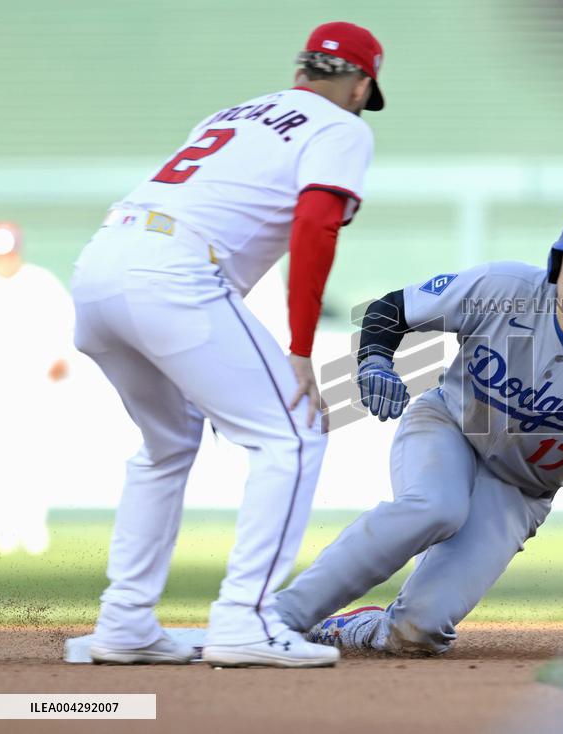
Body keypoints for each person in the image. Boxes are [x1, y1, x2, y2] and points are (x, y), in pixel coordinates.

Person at [69, 21, 386, 667]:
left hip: (102, 261)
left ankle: (124, 622)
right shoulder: (342, 126)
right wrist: (301, 345)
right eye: (364, 90)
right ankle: (246, 619)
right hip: (173, 273)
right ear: (359, 83)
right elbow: (317, 224)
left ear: (303, 72)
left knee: (166, 444)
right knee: (295, 430)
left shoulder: (237, 113)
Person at [274, 204, 563, 657]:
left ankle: (356, 628)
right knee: (434, 506)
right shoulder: (502, 288)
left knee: (418, 633)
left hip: (518, 490)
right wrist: (375, 360)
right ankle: (278, 616)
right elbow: (394, 308)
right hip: (450, 425)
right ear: (557, 261)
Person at [0, 221, 73, 555]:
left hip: (34, 384)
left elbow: (66, 325)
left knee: (33, 456)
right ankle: (3, 529)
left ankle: (32, 526)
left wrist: (61, 358)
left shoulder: (40, 282)